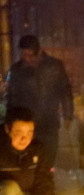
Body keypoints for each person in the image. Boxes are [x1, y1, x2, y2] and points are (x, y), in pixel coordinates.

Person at [3, 35, 73, 171]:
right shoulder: (17, 70)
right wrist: (10, 120)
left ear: (39, 52)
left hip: (49, 120)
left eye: (30, 55)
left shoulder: (55, 66)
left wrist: (68, 114)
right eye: (24, 54)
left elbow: (65, 90)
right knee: (28, 155)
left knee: (49, 154)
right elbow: (11, 97)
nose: (26, 59)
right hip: (26, 122)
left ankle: (45, 182)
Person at [0, 107, 63, 195]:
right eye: (19, 133)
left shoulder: (37, 149)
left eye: (29, 133)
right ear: (7, 129)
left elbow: (44, 177)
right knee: (12, 189)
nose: (25, 139)